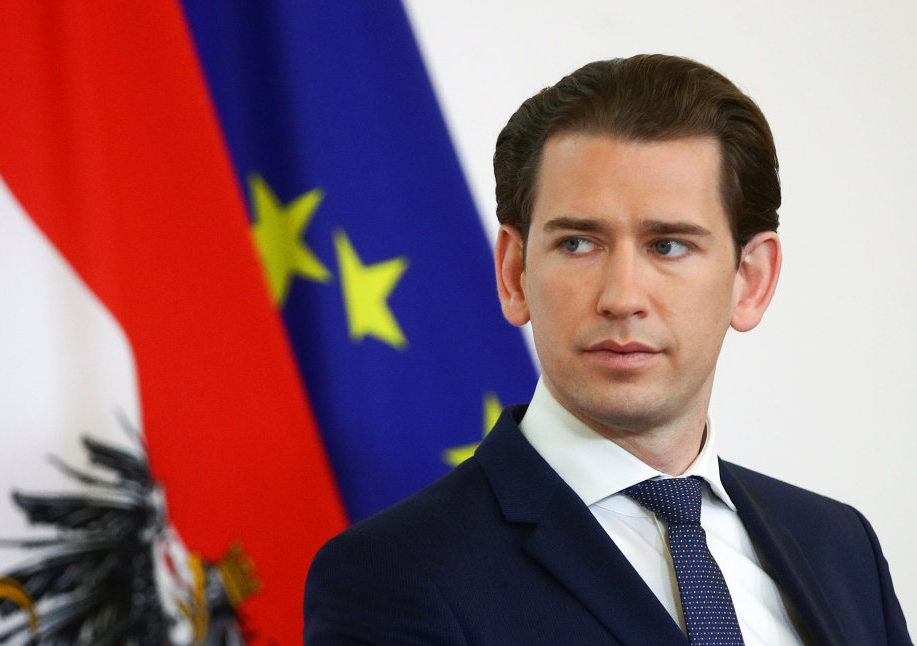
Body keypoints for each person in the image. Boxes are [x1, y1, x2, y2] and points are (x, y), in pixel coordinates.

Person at [303, 54, 912, 646]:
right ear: (514, 274)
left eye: (669, 245)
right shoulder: (393, 574)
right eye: (577, 244)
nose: (622, 297)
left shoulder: (840, 546)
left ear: (750, 281)